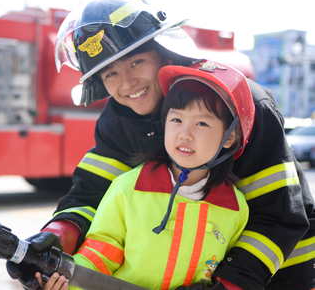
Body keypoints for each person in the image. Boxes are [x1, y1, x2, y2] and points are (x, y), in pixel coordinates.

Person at [7, 0, 315, 289]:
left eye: (136, 62)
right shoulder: (119, 119)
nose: (126, 84)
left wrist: (229, 284)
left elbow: (280, 216)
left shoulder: (237, 104)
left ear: (164, 53)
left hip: (279, 270)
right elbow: (92, 192)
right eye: (110, 73)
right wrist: (58, 234)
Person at [38, 60, 253, 290]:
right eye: (176, 120)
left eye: (201, 123)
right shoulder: (128, 189)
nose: (185, 135)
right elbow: (99, 254)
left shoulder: (236, 209)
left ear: (229, 137)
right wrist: (65, 281)